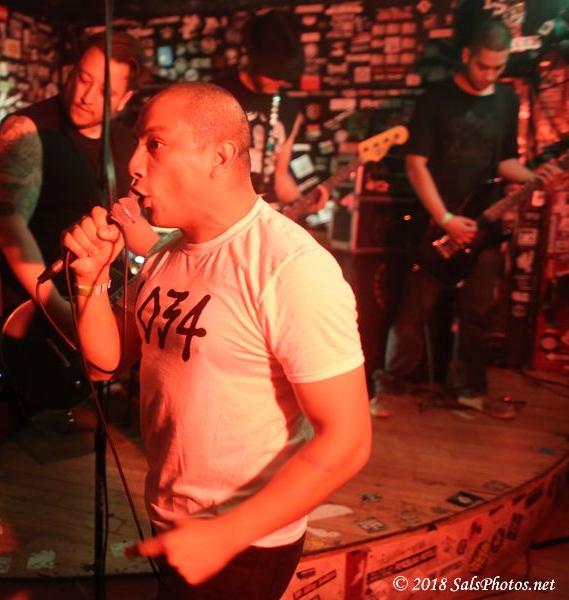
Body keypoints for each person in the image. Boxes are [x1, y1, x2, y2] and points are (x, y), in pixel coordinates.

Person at [61, 82, 371, 599]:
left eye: (154, 144)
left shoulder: (290, 268)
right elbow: (106, 362)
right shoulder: (164, 253)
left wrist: (226, 534)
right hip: (172, 518)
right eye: (137, 145)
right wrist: (90, 281)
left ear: (220, 156)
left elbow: (348, 440)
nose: (133, 164)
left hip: (244, 540)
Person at [0, 32, 146, 539]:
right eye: (82, 78)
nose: (86, 95)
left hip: (91, 289)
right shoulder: (27, 129)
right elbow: (10, 228)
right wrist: (51, 302)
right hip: (33, 289)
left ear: (126, 98)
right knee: (12, 402)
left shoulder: (123, 142)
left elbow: (128, 218)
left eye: (105, 90)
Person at [370, 18, 563, 419]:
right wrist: (444, 218)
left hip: (484, 222)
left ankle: (471, 389)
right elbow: (416, 165)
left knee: (477, 312)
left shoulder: (506, 100)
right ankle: (389, 387)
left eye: (498, 66)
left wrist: (534, 177)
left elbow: (504, 162)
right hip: (436, 222)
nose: (490, 74)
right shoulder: (436, 99)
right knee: (413, 311)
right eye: (483, 65)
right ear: (466, 56)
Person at [214, 10, 327, 216]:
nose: (279, 82)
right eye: (273, 74)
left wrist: (303, 204)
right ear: (254, 61)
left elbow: (280, 176)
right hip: (216, 209)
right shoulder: (215, 93)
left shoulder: (289, 109)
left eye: (285, 77)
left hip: (259, 215)